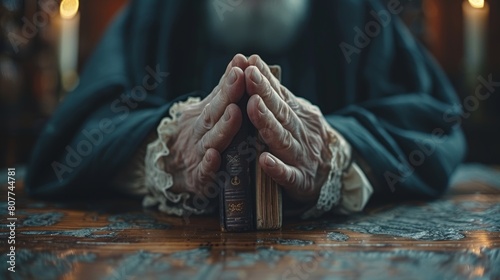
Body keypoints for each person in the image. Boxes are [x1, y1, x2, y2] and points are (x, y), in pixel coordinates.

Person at [26, 0, 466, 219]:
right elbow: (75, 132)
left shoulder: (361, 15)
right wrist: (163, 151)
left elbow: (436, 122)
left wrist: (336, 150)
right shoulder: (154, 12)